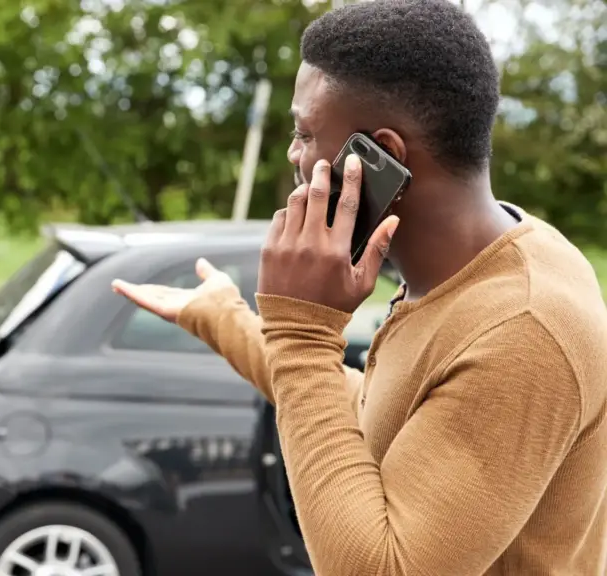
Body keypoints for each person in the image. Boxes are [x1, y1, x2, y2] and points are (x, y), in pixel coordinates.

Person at [111, 1, 607, 574]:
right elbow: (388, 417)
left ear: (381, 157)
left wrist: (302, 332)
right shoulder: (495, 260)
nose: (295, 155)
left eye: (304, 133)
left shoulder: (524, 328)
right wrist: (227, 320)